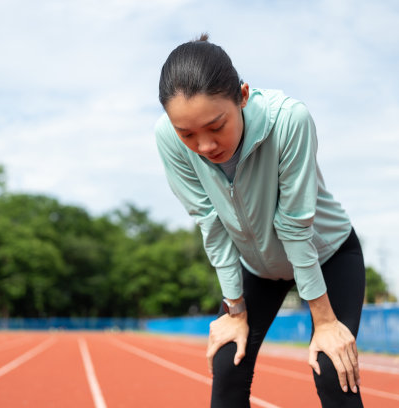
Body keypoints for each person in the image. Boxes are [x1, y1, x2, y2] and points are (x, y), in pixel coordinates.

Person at [155, 34, 366, 408]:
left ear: (243, 95)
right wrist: (235, 309)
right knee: (228, 362)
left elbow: (294, 226)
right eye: (187, 134)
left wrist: (326, 323)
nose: (205, 146)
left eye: (216, 126)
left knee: (332, 367)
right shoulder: (168, 140)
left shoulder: (289, 121)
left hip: (326, 255)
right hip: (258, 268)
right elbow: (211, 222)